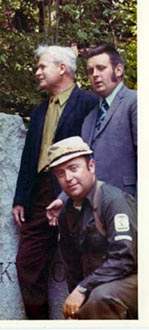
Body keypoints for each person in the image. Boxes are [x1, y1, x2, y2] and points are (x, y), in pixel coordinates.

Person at [11, 45, 97, 319]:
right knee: (28, 264)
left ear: (62, 68)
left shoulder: (89, 103)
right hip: (40, 196)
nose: (37, 72)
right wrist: (21, 198)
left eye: (42, 66)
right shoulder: (38, 112)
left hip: (77, 195)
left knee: (84, 265)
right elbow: (29, 158)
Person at [46, 136, 137, 319]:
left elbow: (125, 258)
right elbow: (72, 267)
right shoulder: (67, 213)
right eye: (60, 174)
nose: (68, 178)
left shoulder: (113, 201)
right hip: (100, 281)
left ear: (91, 166)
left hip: (132, 277)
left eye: (73, 168)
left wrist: (82, 289)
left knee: (100, 298)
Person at [81, 43, 137, 196]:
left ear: (118, 70)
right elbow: (83, 166)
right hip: (95, 205)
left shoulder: (135, 101)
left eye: (101, 68)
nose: (95, 75)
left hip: (128, 201)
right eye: (90, 71)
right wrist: (63, 199)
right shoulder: (89, 118)